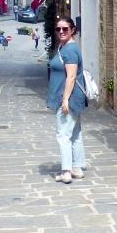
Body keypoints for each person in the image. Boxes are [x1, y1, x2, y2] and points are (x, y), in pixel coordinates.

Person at [46, 17, 86, 184]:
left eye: (65, 29)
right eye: (58, 29)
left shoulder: (70, 50)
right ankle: (77, 167)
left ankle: (66, 171)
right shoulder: (65, 47)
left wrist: (64, 100)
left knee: (63, 134)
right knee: (75, 133)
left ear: (72, 30)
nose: (61, 32)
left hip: (69, 98)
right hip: (72, 98)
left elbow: (71, 77)